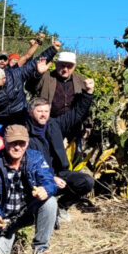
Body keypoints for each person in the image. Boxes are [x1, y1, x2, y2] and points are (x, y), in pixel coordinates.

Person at [0, 125, 58, 254]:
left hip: (25, 213)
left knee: (50, 202)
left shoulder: (36, 158)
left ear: (27, 143)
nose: (17, 147)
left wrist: (45, 189)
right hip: (3, 219)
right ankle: (5, 233)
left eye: (21, 143)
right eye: (13, 143)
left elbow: (49, 181)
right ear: (5, 142)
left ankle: (40, 249)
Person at [26, 87, 96, 221]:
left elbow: (77, 113)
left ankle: (62, 206)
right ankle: (39, 212)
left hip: (60, 174)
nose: (43, 115)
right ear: (31, 112)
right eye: (39, 111)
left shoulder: (55, 125)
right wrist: (51, 178)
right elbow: (29, 166)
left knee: (86, 181)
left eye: (46, 111)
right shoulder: (25, 134)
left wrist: (88, 93)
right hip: (38, 179)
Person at [0, 52, 49, 129]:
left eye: (4, 59)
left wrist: (53, 49)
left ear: (4, 78)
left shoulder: (15, 74)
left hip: (20, 117)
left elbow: (31, 63)